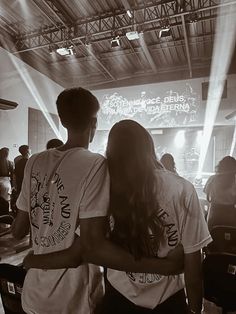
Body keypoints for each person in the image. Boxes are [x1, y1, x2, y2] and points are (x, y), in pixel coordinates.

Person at [12, 88, 183, 314]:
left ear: (62, 121)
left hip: (33, 296)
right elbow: (87, 249)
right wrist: (165, 266)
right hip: (73, 299)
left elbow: (18, 230)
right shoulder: (96, 165)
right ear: (94, 122)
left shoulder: (34, 161)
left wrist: (33, 259)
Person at [204, 156, 236, 231]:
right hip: (231, 215)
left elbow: (207, 196)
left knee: (213, 238)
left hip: (214, 215)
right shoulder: (235, 181)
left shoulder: (212, 179)